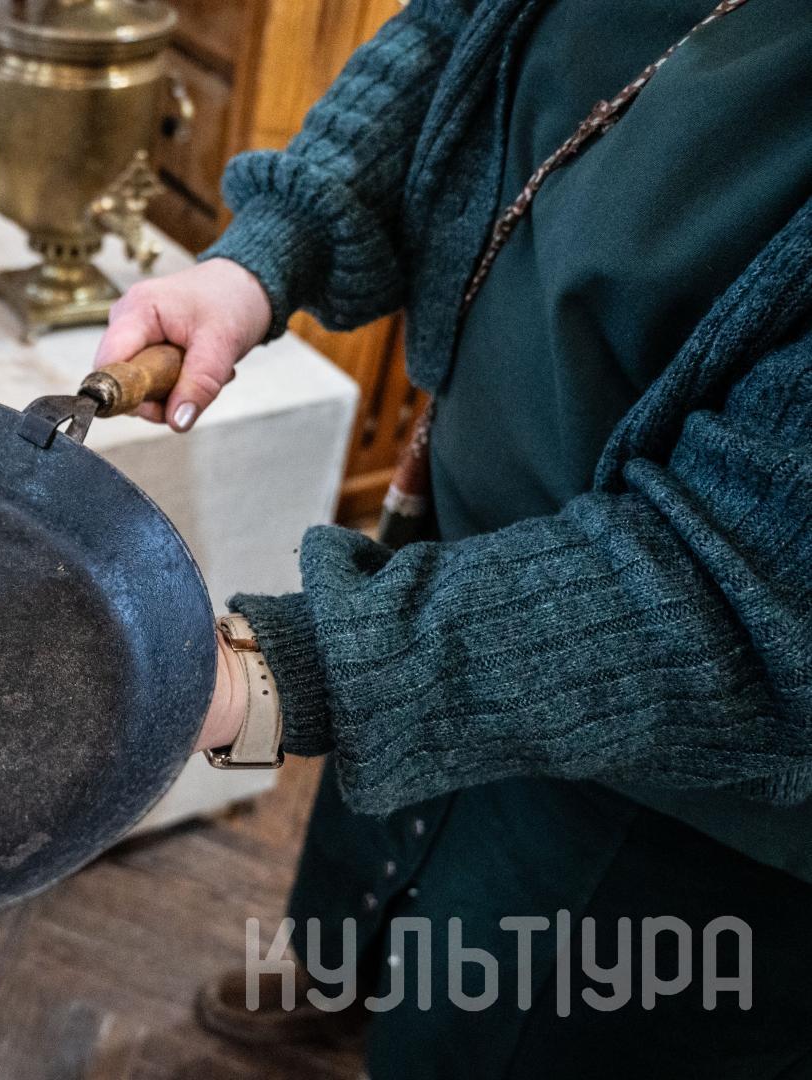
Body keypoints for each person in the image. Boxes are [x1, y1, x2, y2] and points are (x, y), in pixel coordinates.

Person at [91, 1, 812, 1076]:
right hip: (457, 539)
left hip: (681, 762)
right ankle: (344, 973)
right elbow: (452, 38)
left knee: (490, 1025)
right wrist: (260, 259)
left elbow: (739, 593)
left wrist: (266, 676)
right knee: (369, 858)